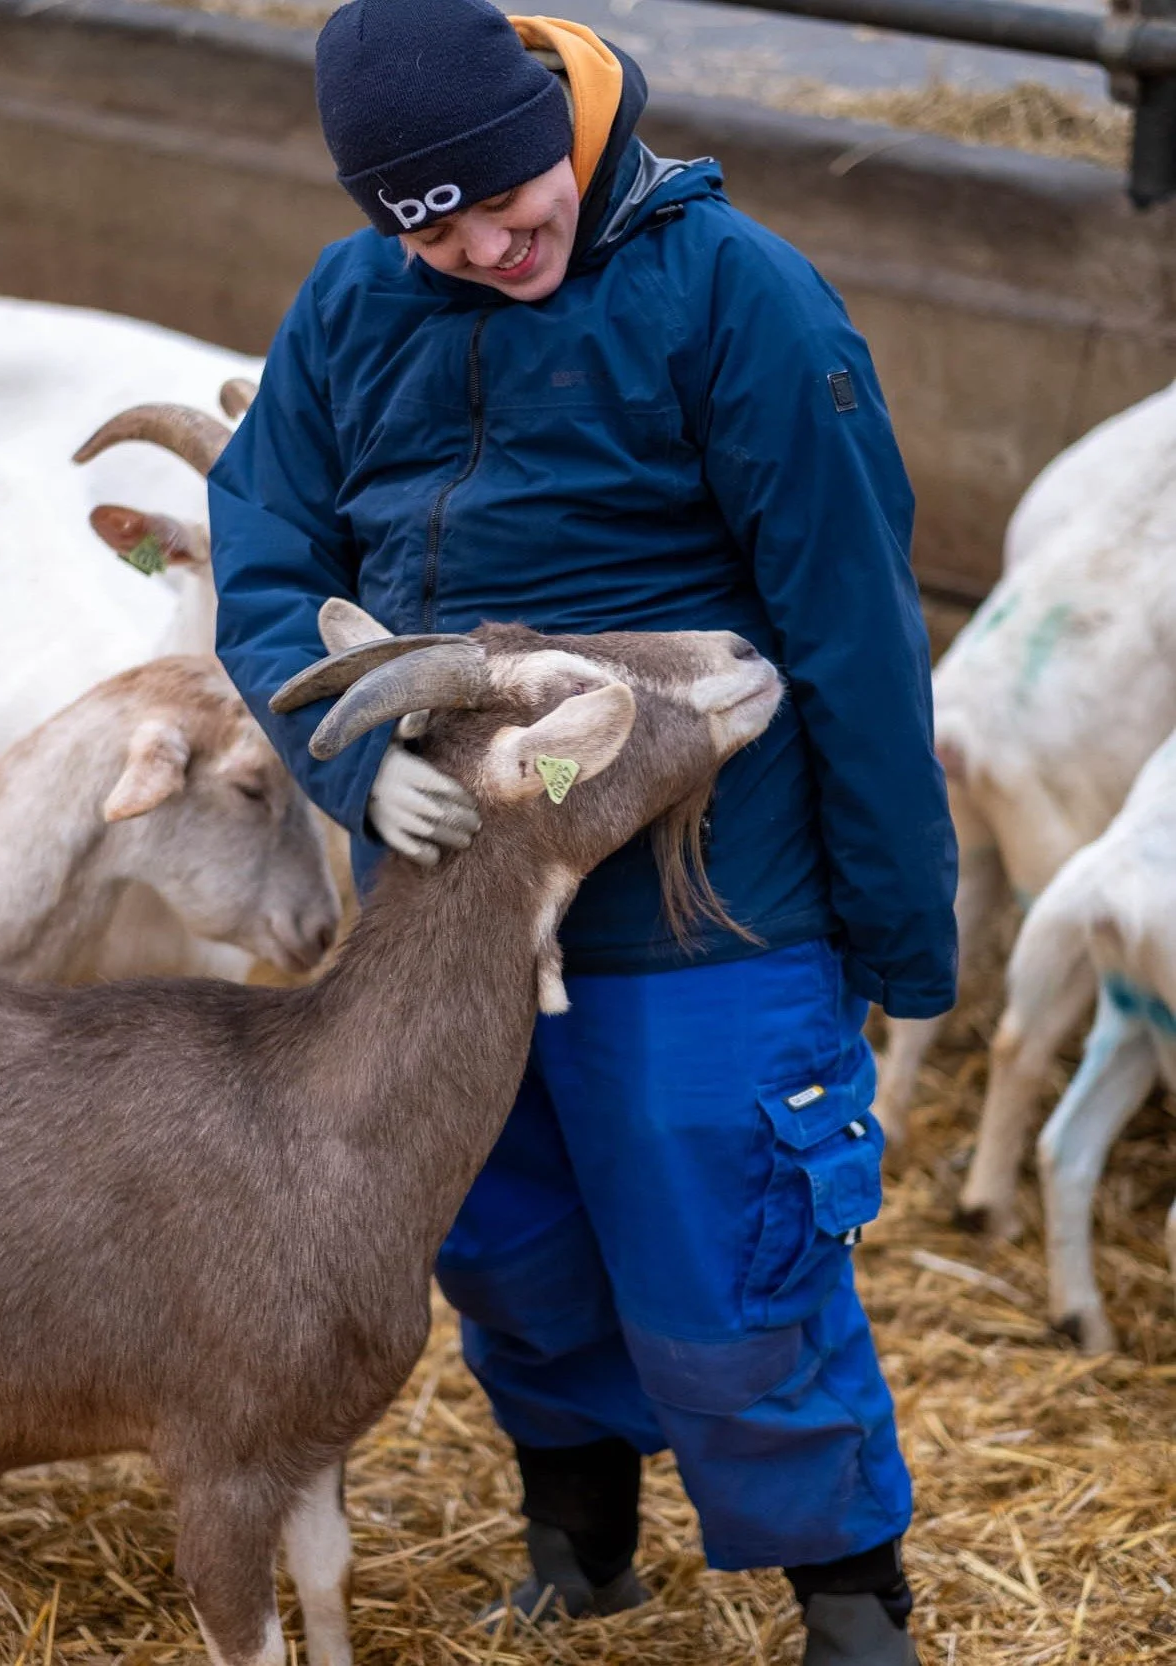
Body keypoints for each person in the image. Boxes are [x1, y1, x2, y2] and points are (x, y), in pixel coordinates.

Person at [208, 2, 956, 1659]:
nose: (486, 248)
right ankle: (580, 1539)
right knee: (502, 1231)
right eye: (434, 230)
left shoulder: (733, 293)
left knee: (729, 1250)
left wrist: (898, 926)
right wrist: (348, 768)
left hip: (703, 892)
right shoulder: (353, 303)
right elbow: (265, 547)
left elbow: (851, 624)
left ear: (554, 122)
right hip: (453, 890)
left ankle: (851, 1603)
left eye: (503, 197)